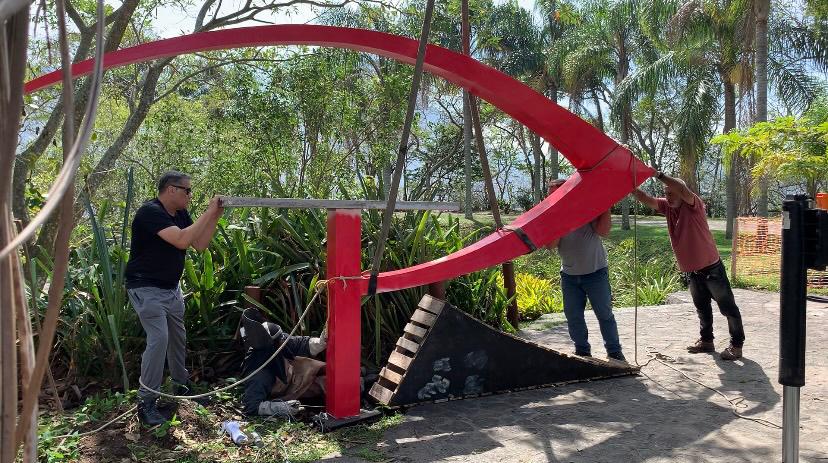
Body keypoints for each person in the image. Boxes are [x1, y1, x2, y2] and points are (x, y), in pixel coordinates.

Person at [125, 171, 224, 425]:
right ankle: (146, 401)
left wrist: (215, 215)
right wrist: (208, 212)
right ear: (171, 189)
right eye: (187, 190)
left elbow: (199, 244)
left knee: (178, 338)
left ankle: (181, 385)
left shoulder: (180, 214)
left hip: (171, 289)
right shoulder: (150, 212)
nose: (190, 195)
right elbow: (181, 240)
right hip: (146, 288)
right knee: (159, 338)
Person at [632, 171, 745, 361]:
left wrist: (658, 174)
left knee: (728, 308)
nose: (668, 196)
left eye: (671, 193)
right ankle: (707, 341)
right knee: (702, 308)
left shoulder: (694, 204)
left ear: (680, 192)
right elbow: (644, 198)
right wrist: (627, 182)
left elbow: (682, 189)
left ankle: (736, 345)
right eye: (666, 193)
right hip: (693, 271)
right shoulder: (667, 207)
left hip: (712, 268)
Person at [547, 179, 626, 362]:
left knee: (604, 314)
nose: (551, 198)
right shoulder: (551, 218)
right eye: (549, 195)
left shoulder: (586, 208)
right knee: (573, 316)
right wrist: (558, 221)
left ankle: (614, 351)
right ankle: (582, 351)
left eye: (555, 194)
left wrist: (605, 204)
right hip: (569, 276)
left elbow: (604, 231)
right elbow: (550, 245)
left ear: (567, 193)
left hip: (596, 273)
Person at [239, 308, 328, 417]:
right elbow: (251, 406)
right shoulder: (259, 373)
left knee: (328, 373)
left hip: (292, 374)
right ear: (273, 345)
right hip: (283, 390)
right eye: (280, 339)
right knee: (322, 384)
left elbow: (300, 343)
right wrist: (280, 408)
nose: (284, 339)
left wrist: (320, 342)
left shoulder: (278, 341)